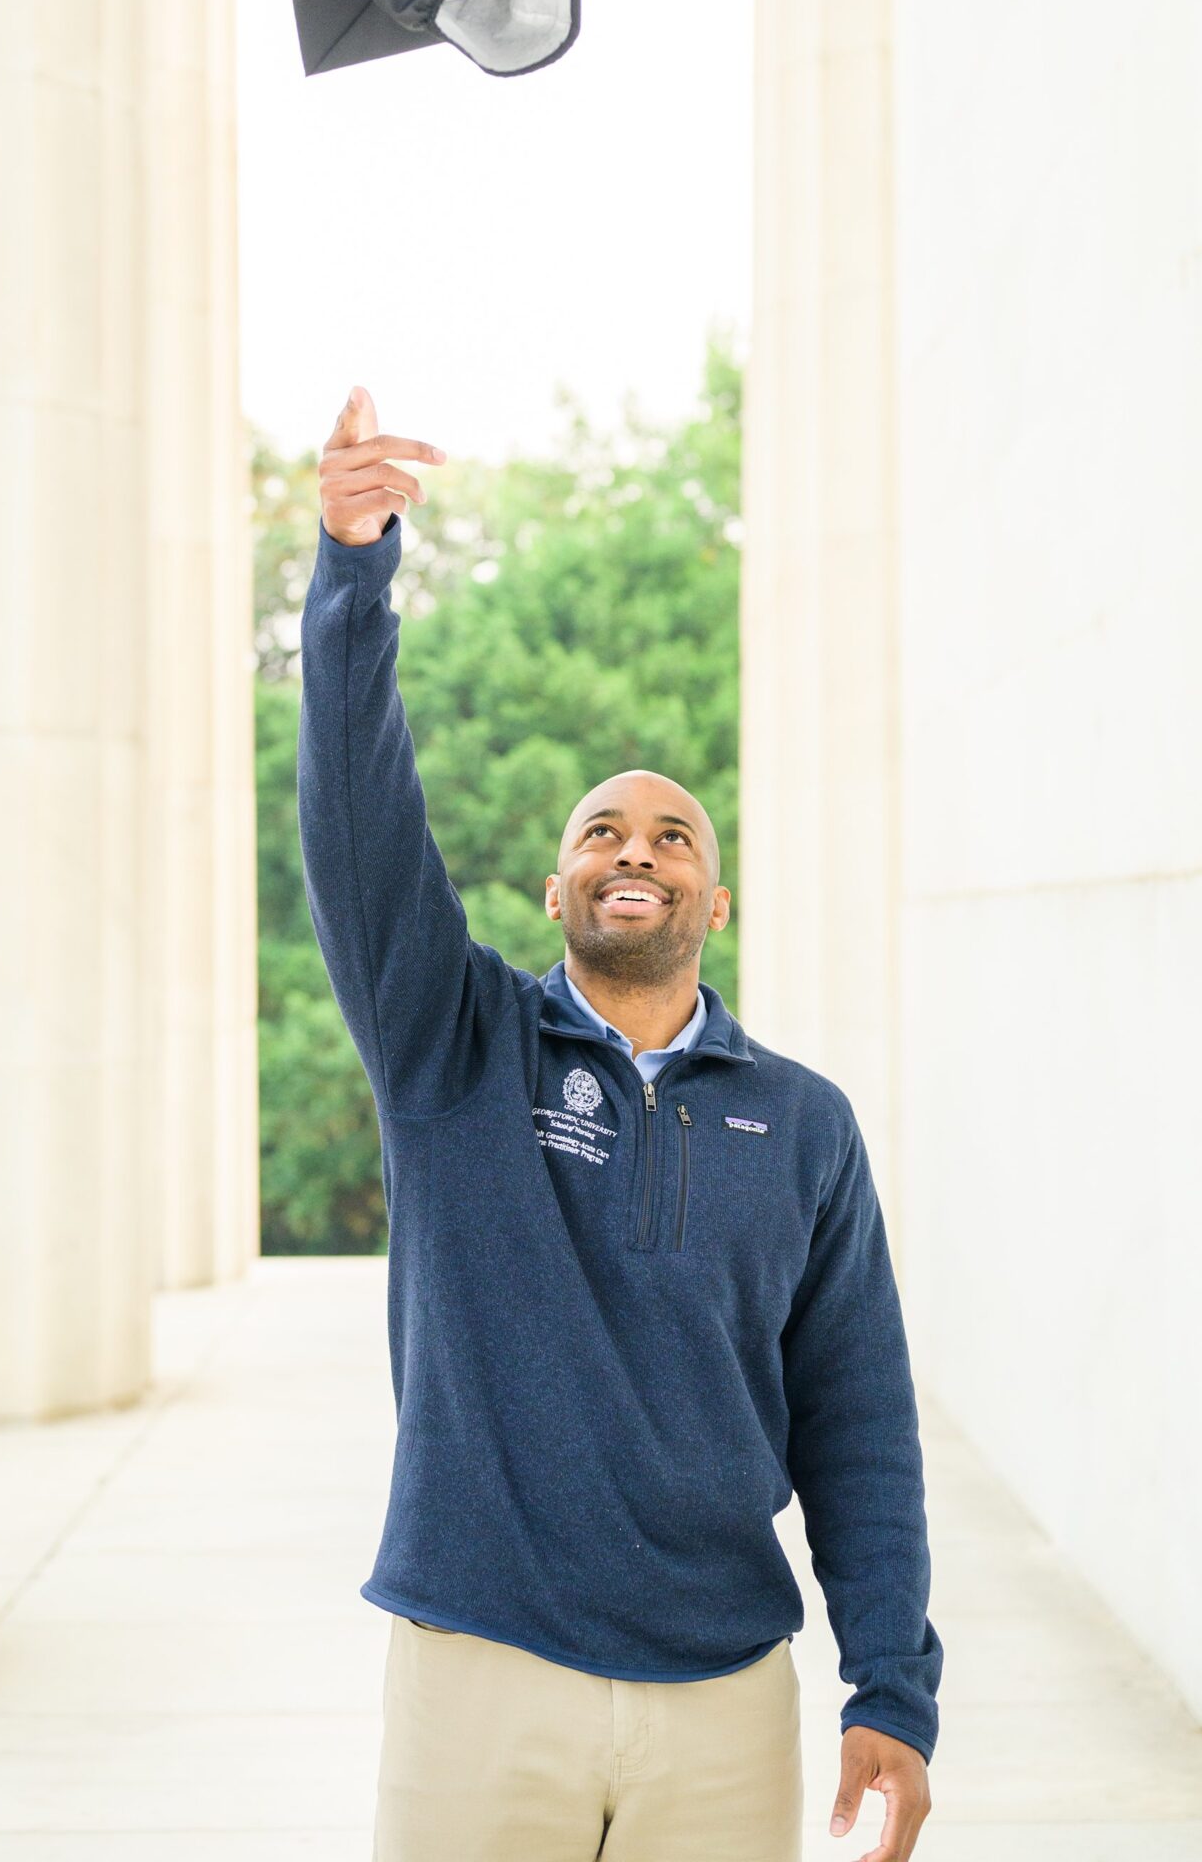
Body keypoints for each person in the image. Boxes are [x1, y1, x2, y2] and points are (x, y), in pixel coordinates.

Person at [297, 386, 942, 1862]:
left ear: (716, 903)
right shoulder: (452, 1047)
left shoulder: (807, 1126)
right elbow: (356, 823)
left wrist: (892, 1686)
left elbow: (858, 1422)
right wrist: (352, 575)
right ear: (558, 895)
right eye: (600, 831)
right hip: (482, 1667)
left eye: (672, 836)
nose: (633, 848)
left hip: (722, 1696)